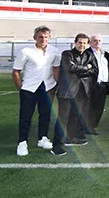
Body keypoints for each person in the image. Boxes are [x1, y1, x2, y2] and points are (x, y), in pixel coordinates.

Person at [12, 25, 60, 156]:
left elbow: (56, 69)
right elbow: (16, 71)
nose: (43, 39)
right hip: (29, 88)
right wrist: (21, 87)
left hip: (48, 88)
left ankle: (42, 138)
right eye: (40, 37)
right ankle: (22, 142)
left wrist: (57, 84)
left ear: (49, 38)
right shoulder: (25, 51)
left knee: (45, 115)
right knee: (25, 117)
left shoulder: (54, 51)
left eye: (46, 37)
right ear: (35, 38)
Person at [52, 33, 98, 156]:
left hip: (82, 91)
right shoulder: (67, 54)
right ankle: (56, 145)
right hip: (67, 91)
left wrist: (82, 69)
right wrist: (86, 68)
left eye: (84, 43)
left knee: (75, 116)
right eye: (79, 42)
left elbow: (94, 70)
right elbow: (69, 68)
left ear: (87, 44)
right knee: (63, 118)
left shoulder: (89, 55)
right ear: (75, 42)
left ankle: (71, 138)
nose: (82, 45)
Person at [87, 34, 109, 135]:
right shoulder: (87, 53)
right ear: (90, 42)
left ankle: (93, 126)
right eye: (95, 40)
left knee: (99, 107)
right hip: (92, 85)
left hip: (103, 85)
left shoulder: (104, 54)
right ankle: (88, 127)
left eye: (99, 40)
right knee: (90, 107)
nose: (97, 42)